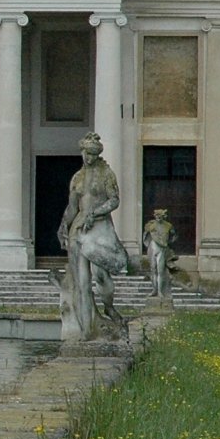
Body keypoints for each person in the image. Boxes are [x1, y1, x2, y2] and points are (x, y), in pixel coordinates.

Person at [57, 131, 131, 340]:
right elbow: (73, 208)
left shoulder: (107, 174)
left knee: (101, 276)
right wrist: (63, 226)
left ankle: (108, 307)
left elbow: (114, 200)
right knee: (81, 283)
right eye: (86, 154)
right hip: (79, 230)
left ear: (97, 155)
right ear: (82, 152)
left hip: (99, 228)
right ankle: (87, 330)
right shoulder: (77, 178)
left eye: (92, 154)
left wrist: (96, 212)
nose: (88, 158)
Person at [143, 207, 176, 303]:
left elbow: (174, 235)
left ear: (164, 216)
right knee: (153, 269)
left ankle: (160, 291)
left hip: (162, 249)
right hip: (153, 248)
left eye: (160, 215)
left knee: (160, 271)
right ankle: (154, 289)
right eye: (156, 215)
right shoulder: (151, 225)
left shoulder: (168, 226)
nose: (158, 217)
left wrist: (169, 243)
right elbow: (145, 236)